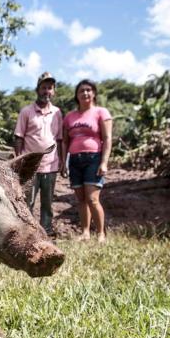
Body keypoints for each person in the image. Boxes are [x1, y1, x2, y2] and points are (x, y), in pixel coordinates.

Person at [60, 79, 112, 243]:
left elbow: (107, 138)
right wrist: (63, 162)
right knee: (81, 199)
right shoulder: (69, 117)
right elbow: (65, 142)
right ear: (77, 95)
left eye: (88, 90)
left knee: (92, 199)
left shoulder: (101, 112)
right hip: (74, 160)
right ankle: (85, 232)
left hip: (93, 159)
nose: (85, 93)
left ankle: (101, 233)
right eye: (81, 90)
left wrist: (104, 162)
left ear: (94, 93)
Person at [14, 71, 63, 237]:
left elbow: (60, 139)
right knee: (28, 201)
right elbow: (18, 137)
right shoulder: (26, 111)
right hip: (30, 166)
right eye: (43, 87)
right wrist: (18, 160)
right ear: (37, 89)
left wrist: (63, 162)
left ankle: (47, 232)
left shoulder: (57, 113)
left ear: (53, 91)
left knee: (47, 203)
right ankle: (27, 232)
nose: (46, 91)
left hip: (51, 165)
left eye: (50, 88)